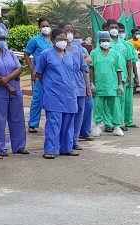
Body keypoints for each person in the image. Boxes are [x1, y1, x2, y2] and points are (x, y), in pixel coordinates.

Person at [35, 28, 79, 159]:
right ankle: (50, 149)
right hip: (53, 94)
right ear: (53, 39)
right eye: (60, 39)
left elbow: (73, 72)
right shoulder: (45, 54)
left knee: (68, 123)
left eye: (65, 39)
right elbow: (39, 72)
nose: (63, 42)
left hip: (69, 93)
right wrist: (49, 84)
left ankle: (66, 148)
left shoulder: (70, 56)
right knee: (53, 123)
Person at [0, 26, 28, 157]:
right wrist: (7, 85)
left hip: (15, 89)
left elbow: (19, 68)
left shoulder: (9, 53)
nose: (1, 40)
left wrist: (7, 79)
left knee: (17, 119)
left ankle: (19, 146)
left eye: (3, 38)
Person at [89, 30, 124, 137]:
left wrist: (120, 84)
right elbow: (91, 69)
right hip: (99, 85)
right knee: (98, 107)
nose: (105, 42)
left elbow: (119, 70)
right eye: (103, 40)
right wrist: (91, 83)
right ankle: (97, 126)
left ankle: (117, 126)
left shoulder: (115, 54)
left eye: (107, 40)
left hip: (112, 85)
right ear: (99, 41)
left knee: (115, 107)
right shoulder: (94, 53)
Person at [63, 23, 90, 151]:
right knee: (68, 114)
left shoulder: (78, 48)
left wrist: (87, 87)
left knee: (79, 113)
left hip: (79, 85)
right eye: (66, 31)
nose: (69, 34)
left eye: (71, 31)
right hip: (65, 86)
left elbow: (83, 69)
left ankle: (75, 140)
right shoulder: (56, 50)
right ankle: (65, 141)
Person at [24, 18, 53, 133]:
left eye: (47, 25)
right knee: (37, 98)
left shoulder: (53, 41)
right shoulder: (35, 40)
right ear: (39, 28)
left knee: (51, 98)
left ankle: (50, 122)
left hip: (52, 75)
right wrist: (32, 69)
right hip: (39, 74)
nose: (45, 27)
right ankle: (33, 123)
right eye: (42, 26)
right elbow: (26, 54)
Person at [115, 22, 137, 128]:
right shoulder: (110, 44)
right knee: (118, 101)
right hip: (116, 76)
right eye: (119, 31)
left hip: (127, 75)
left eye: (122, 31)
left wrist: (134, 75)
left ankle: (128, 120)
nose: (120, 33)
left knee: (128, 101)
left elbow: (132, 61)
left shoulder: (128, 45)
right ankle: (117, 122)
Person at [78, 36, 95, 141]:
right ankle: (75, 135)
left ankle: (85, 131)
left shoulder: (82, 50)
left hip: (85, 83)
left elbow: (88, 61)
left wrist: (88, 86)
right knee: (77, 110)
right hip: (73, 85)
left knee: (88, 106)